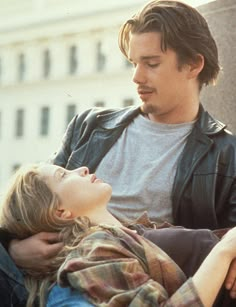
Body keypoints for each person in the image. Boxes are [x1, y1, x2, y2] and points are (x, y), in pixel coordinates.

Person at [0, 0, 236, 305]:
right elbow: (34, 200)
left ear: (193, 65)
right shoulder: (90, 125)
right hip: (49, 280)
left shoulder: (226, 155)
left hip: (137, 284)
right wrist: (13, 247)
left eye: (151, 64)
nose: (136, 77)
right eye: (133, 63)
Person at [0, 163, 236, 307]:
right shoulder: (95, 250)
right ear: (60, 212)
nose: (81, 168)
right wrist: (225, 251)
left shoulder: (128, 234)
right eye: (63, 175)